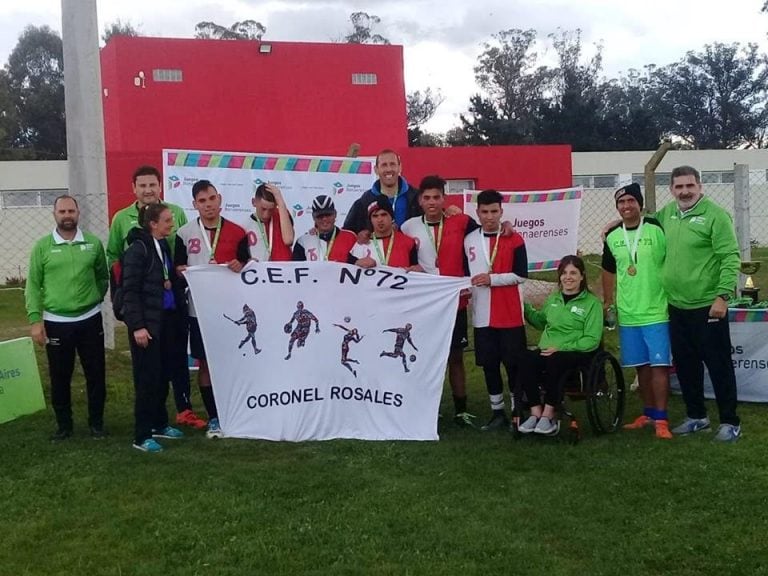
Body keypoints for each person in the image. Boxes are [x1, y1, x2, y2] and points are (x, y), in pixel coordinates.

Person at [106, 165, 206, 430]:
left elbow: (183, 250)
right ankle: (145, 428)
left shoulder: (168, 227)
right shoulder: (127, 229)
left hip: (170, 302)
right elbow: (115, 263)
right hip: (142, 305)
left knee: (169, 362)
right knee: (147, 370)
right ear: (134, 189)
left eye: (153, 185)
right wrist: (128, 309)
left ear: (160, 186)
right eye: (143, 185)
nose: (148, 190)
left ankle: (173, 415)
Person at [656, 166, 741, 442]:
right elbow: (643, 226)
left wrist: (722, 295)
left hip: (708, 305)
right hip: (676, 306)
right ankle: (697, 416)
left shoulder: (716, 216)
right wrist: (613, 225)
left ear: (700, 186)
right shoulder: (666, 214)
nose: (685, 191)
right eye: (679, 186)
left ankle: (730, 421)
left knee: (718, 365)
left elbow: (730, 256)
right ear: (671, 189)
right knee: (685, 364)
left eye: (690, 185)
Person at [25, 195, 109, 440]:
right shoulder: (42, 247)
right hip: (56, 323)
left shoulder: (93, 243)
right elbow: (33, 285)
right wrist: (35, 319)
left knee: (96, 373)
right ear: (54, 215)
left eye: (71, 211)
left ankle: (97, 424)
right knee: (60, 376)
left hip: (90, 320)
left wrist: (94, 298)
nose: (67, 215)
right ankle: (64, 427)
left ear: (78, 213)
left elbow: (102, 277)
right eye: (62, 211)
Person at [401, 175, 479, 425]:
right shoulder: (409, 227)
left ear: (444, 199)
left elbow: (486, 236)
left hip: (453, 300)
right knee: (425, 357)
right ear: (420, 201)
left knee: (455, 356)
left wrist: (507, 225)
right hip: (424, 303)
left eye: (437, 197)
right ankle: (427, 408)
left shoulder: (461, 221)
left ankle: (460, 410)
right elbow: (396, 252)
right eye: (427, 198)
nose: (432, 202)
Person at [175, 180, 248, 438]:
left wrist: (241, 264)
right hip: (199, 312)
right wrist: (181, 272)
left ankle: (238, 411)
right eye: (202, 201)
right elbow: (177, 269)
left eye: (212, 199)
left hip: (230, 311)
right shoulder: (183, 234)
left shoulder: (238, 233)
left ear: (220, 199)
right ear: (194, 204)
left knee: (233, 363)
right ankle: (215, 416)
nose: (208, 205)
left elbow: (249, 267)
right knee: (206, 363)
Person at [602, 183, 672, 440]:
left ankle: (662, 419)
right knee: (641, 367)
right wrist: (608, 301)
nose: (626, 206)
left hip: (656, 310)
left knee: (659, 366)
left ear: (640, 204)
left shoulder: (655, 228)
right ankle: (648, 413)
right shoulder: (612, 236)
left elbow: (670, 260)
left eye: (631, 201)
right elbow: (608, 269)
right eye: (621, 202)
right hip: (629, 313)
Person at [122, 203, 187, 452]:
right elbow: (130, 291)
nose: (172, 223)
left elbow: (163, 279)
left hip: (165, 321)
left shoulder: (162, 246)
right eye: (168, 220)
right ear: (153, 224)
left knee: (162, 376)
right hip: (147, 325)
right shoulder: (137, 251)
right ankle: (141, 435)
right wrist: (137, 326)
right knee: (147, 379)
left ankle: (160, 424)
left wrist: (175, 277)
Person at [464, 189, 528, 431]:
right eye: (484, 212)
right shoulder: (469, 239)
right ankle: (497, 411)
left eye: (494, 211)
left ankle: (516, 411)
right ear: (478, 213)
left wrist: (493, 279)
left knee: (513, 365)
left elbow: (521, 275)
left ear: (501, 212)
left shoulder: (515, 238)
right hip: (482, 316)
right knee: (489, 365)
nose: (489, 216)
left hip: (510, 315)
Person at [518, 255, 603, 435]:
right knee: (525, 358)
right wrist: (523, 306)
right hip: (548, 350)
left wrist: (562, 347)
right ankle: (535, 412)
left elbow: (592, 339)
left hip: (576, 352)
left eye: (573, 272)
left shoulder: (592, 303)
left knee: (555, 361)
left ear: (582, 276)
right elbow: (541, 321)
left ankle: (549, 416)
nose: (568, 277)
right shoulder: (554, 299)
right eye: (564, 273)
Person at [342, 149, 422, 233]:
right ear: (376, 169)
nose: (388, 169)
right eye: (384, 165)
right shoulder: (364, 201)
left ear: (400, 167)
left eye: (392, 164)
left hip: (408, 246)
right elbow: (348, 234)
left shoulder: (416, 197)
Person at [349, 197, 419, 269]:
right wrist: (356, 262)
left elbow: (415, 272)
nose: (380, 220)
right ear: (370, 220)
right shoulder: (362, 242)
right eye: (375, 216)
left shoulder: (408, 243)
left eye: (384, 215)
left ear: (391, 217)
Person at [293, 195, 357, 262]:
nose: (324, 219)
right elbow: (295, 268)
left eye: (328, 214)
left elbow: (359, 264)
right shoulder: (303, 241)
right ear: (313, 217)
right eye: (320, 216)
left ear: (335, 214)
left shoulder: (350, 238)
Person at [239, 183, 294, 262]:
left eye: (271, 210)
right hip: (259, 272)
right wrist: (247, 261)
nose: (266, 215)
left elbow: (288, 240)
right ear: (254, 202)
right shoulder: (244, 227)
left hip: (283, 271)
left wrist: (280, 201)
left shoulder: (281, 215)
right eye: (263, 209)